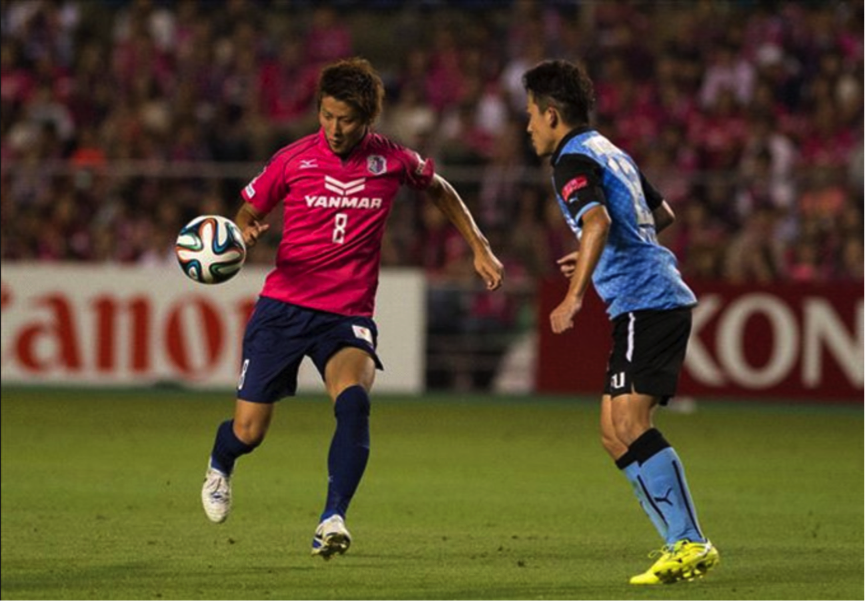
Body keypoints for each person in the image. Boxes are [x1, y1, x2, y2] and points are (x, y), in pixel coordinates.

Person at [201, 57, 504, 560]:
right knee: (249, 432)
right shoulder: (292, 160)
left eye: (345, 120)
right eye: (326, 116)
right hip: (284, 307)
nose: (334, 129)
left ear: (367, 119)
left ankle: (332, 518)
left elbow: (441, 189)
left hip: (346, 315)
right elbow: (247, 211)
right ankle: (220, 460)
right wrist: (244, 232)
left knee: (354, 403)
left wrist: (478, 244)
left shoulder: (392, 160)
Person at [521, 59, 719, 585]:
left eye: (531, 116)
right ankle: (677, 542)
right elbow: (662, 215)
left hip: (646, 302)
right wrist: (601, 254)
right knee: (612, 431)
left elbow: (599, 220)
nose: (528, 127)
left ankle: (690, 541)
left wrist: (574, 294)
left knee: (631, 423)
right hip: (647, 300)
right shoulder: (610, 149)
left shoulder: (569, 159)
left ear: (552, 114)